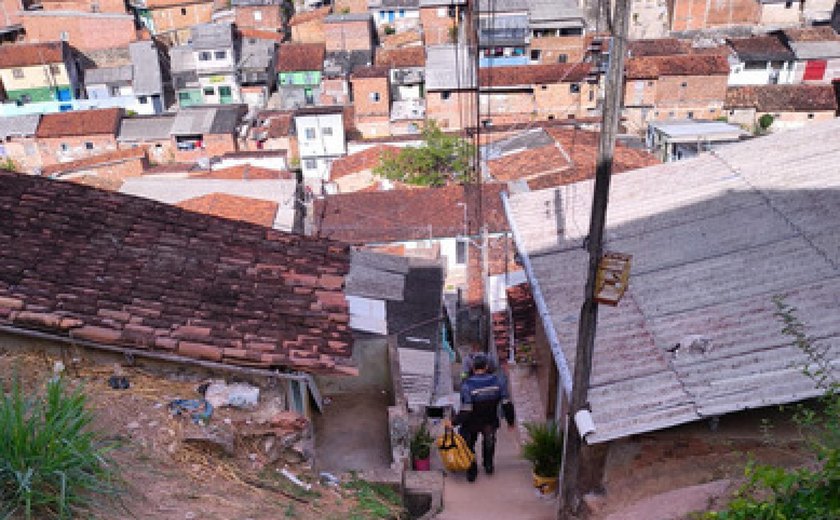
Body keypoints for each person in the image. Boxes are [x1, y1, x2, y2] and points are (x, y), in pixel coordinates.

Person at [451, 353, 515, 482]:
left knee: (469, 445)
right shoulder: (498, 381)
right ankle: (488, 465)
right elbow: (506, 403)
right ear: (486, 367)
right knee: (489, 442)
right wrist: (510, 421)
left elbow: (466, 410)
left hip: (471, 423)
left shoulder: (467, 385)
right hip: (489, 421)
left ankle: (472, 470)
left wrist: (453, 422)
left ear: (473, 368)